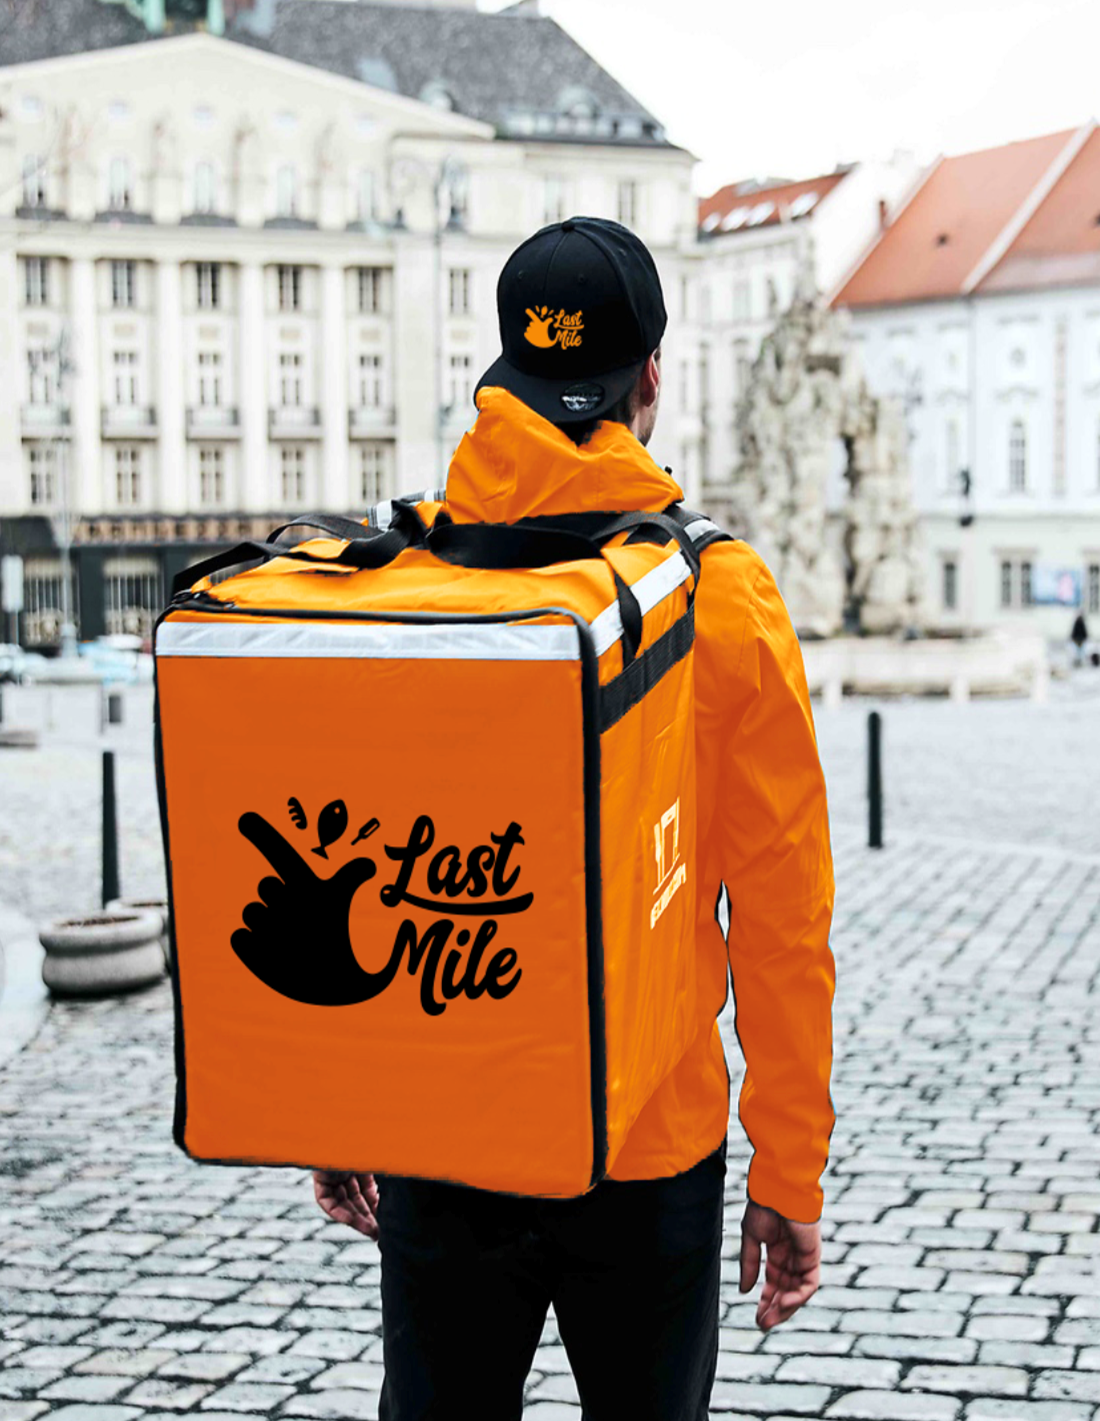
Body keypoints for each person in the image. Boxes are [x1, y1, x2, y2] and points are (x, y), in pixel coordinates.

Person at [306, 217, 835, 1421]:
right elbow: (783, 915)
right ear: (653, 377)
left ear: (502, 378)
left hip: (444, 1131)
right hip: (651, 1142)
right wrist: (789, 1164)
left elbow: (358, 858)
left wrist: (343, 1105)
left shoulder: (405, 582)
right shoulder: (718, 594)